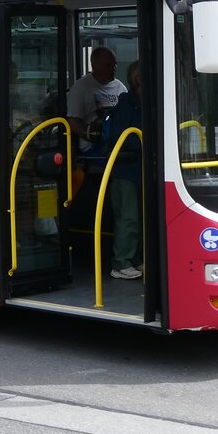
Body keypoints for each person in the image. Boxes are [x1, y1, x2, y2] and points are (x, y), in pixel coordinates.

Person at [99, 60, 145, 279]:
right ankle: (121, 263)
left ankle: (136, 259)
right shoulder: (127, 105)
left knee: (141, 216)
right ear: (139, 81)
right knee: (128, 217)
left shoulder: (142, 103)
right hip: (125, 170)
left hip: (139, 168)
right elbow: (121, 138)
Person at [67, 47, 127, 153]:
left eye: (115, 65)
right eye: (108, 65)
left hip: (117, 143)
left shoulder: (120, 87)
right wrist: (90, 135)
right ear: (94, 66)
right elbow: (73, 121)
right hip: (91, 147)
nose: (113, 69)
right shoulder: (81, 88)